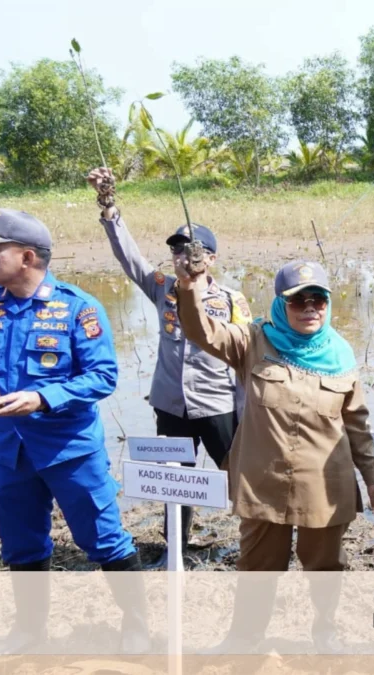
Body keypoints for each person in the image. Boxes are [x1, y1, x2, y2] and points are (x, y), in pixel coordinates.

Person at [174, 258, 374, 648]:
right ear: (280, 304)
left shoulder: (341, 356)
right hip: (263, 484)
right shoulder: (253, 340)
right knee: (257, 566)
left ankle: (325, 632)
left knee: (326, 566)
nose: (309, 308)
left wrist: (373, 479)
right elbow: (201, 331)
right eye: (298, 300)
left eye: (318, 300)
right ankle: (245, 637)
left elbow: (357, 425)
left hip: (324, 486)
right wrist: (189, 289)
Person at [0, 208, 147, 654]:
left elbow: (103, 377)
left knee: (103, 537)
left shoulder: (78, 308)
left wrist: (42, 398)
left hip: (67, 451)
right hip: (4, 451)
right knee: (20, 542)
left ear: (26, 257)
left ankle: (136, 625)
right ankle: (29, 631)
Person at [87, 166, 250, 569]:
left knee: (238, 474)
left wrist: (249, 407)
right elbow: (130, 259)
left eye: (192, 250)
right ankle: (175, 547)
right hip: (170, 405)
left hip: (217, 405)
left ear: (210, 258)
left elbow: (246, 354)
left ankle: (256, 541)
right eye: (177, 249)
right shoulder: (162, 287)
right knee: (174, 478)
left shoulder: (231, 299)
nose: (183, 256)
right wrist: (110, 210)